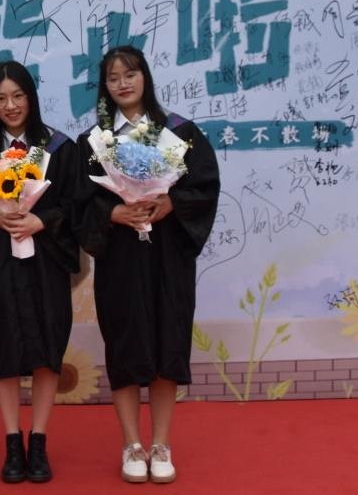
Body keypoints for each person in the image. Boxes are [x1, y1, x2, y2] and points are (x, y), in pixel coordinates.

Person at [75, 46, 220, 485]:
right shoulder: (94, 142)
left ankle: (160, 443)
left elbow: (205, 188)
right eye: (113, 77)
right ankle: (131, 444)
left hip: (167, 255)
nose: (123, 83)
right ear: (104, 86)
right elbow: (78, 203)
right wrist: (112, 213)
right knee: (125, 344)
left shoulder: (180, 133)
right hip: (120, 258)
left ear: (145, 77)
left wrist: (173, 202)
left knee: (166, 342)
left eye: (130, 74)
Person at [0, 61, 80, 484]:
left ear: (31, 97)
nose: (10, 106)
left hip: (46, 261)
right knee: (5, 349)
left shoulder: (59, 149)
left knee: (47, 346)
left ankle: (39, 440)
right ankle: (13, 441)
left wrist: (41, 220)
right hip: (0, 263)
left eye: (18, 96)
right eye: (1, 98)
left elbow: (77, 205)